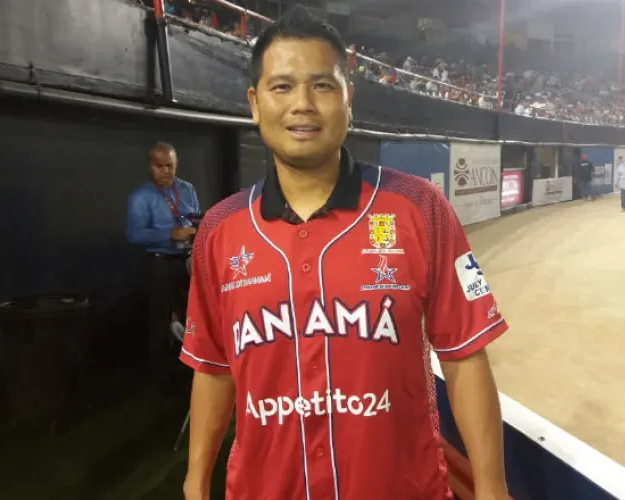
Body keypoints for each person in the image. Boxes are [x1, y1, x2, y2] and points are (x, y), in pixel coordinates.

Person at [179, 8, 509, 500]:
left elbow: (464, 358)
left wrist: (492, 489)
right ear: (254, 103)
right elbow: (214, 366)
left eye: (323, 86)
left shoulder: (420, 208)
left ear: (348, 99)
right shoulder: (221, 229)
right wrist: (195, 481)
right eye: (282, 87)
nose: (303, 105)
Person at [126, 141, 200, 397]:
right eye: (159, 166)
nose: (165, 171)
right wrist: (171, 233)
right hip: (160, 263)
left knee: (192, 318)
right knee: (159, 320)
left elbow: (194, 218)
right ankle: (160, 380)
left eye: (169, 166)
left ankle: (189, 371)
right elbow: (135, 235)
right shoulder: (141, 197)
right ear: (150, 166)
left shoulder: (188, 189)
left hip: (188, 262)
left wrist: (196, 230)